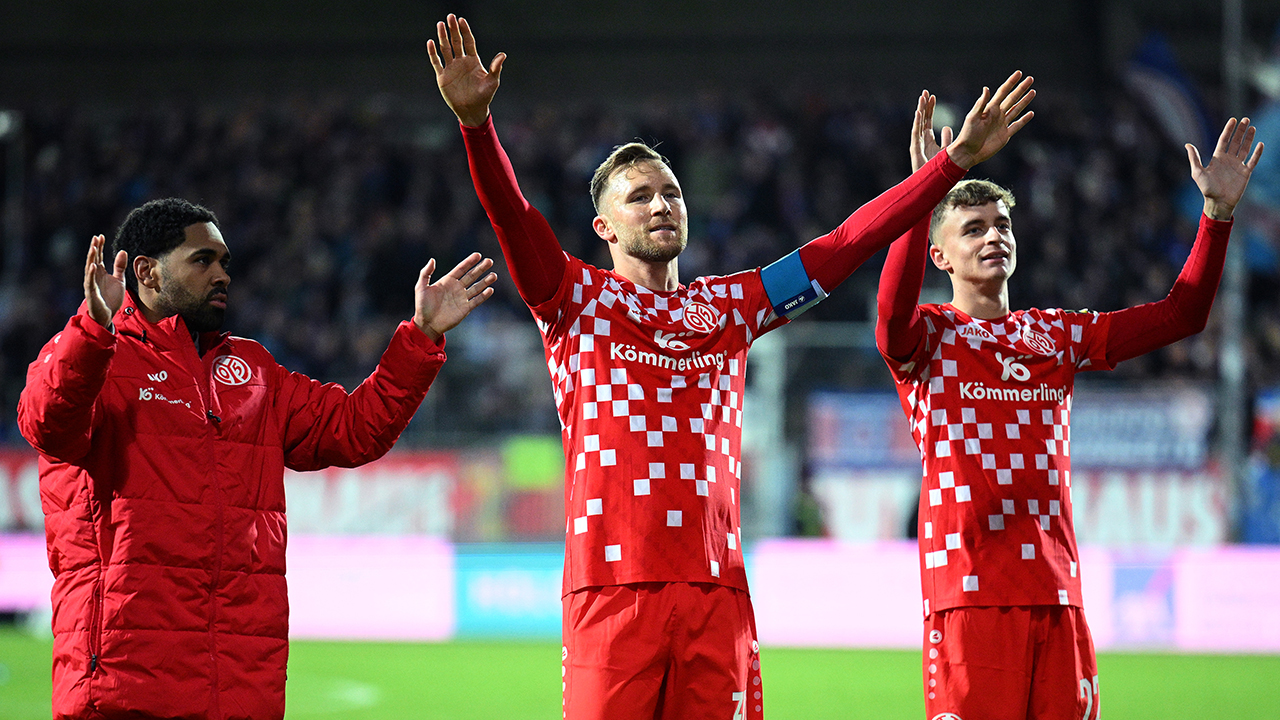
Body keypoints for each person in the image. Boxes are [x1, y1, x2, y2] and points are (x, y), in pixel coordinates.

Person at [426, 14, 1033, 719]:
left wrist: (946, 168)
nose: (661, 205)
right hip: (609, 595)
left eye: (672, 193)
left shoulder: (729, 308)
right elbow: (513, 216)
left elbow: (843, 245)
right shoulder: (572, 300)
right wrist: (476, 126)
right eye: (639, 197)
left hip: (718, 598)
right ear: (604, 227)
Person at [18, 198, 496, 720]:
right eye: (203, 260)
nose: (222, 274)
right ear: (147, 272)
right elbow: (47, 425)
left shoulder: (252, 371)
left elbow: (355, 429)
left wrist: (422, 336)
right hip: (125, 690)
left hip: (240, 691)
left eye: (225, 262)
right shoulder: (93, 357)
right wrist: (93, 327)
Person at [875, 93, 1263, 720]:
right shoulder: (928, 338)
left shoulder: (1056, 335)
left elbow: (1181, 314)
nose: (994, 236)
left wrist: (1216, 216)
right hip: (969, 599)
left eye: (1002, 225)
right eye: (973, 228)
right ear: (938, 255)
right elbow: (890, 314)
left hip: (1059, 599)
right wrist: (923, 192)